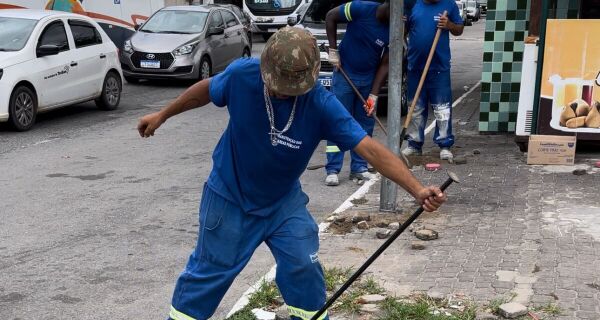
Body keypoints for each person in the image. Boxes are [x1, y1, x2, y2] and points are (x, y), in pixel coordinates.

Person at [137, 27, 448, 320]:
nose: (281, 93)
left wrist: (416, 189)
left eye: (290, 87)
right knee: (209, 274)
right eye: (277, 84)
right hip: (229, 196)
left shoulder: (322, 104)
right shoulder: (242, 75)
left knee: (303, 264)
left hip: (283, 203)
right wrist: (162, 115)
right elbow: (206, 90)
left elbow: (369, 149)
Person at [323, 0, 390, 186]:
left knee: (365, 124)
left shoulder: (395, 29)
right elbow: (330, 17)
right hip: (345, 74)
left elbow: (386, 63)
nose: (402, 19)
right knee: (338, 120)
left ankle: (359, 168)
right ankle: (332, 169)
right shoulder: (359, 8)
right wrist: (333, 49)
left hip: (368, 79)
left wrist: (374, 95)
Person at [402, 0, 463, 161]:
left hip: (439, 67)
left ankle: (444, 144)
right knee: (415, 107)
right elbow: (403, 31)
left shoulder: (449, 5)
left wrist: (449, 25)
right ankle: (414, 144)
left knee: (442, 108)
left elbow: (459, 29)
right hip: (415, 66)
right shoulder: (413, 4)